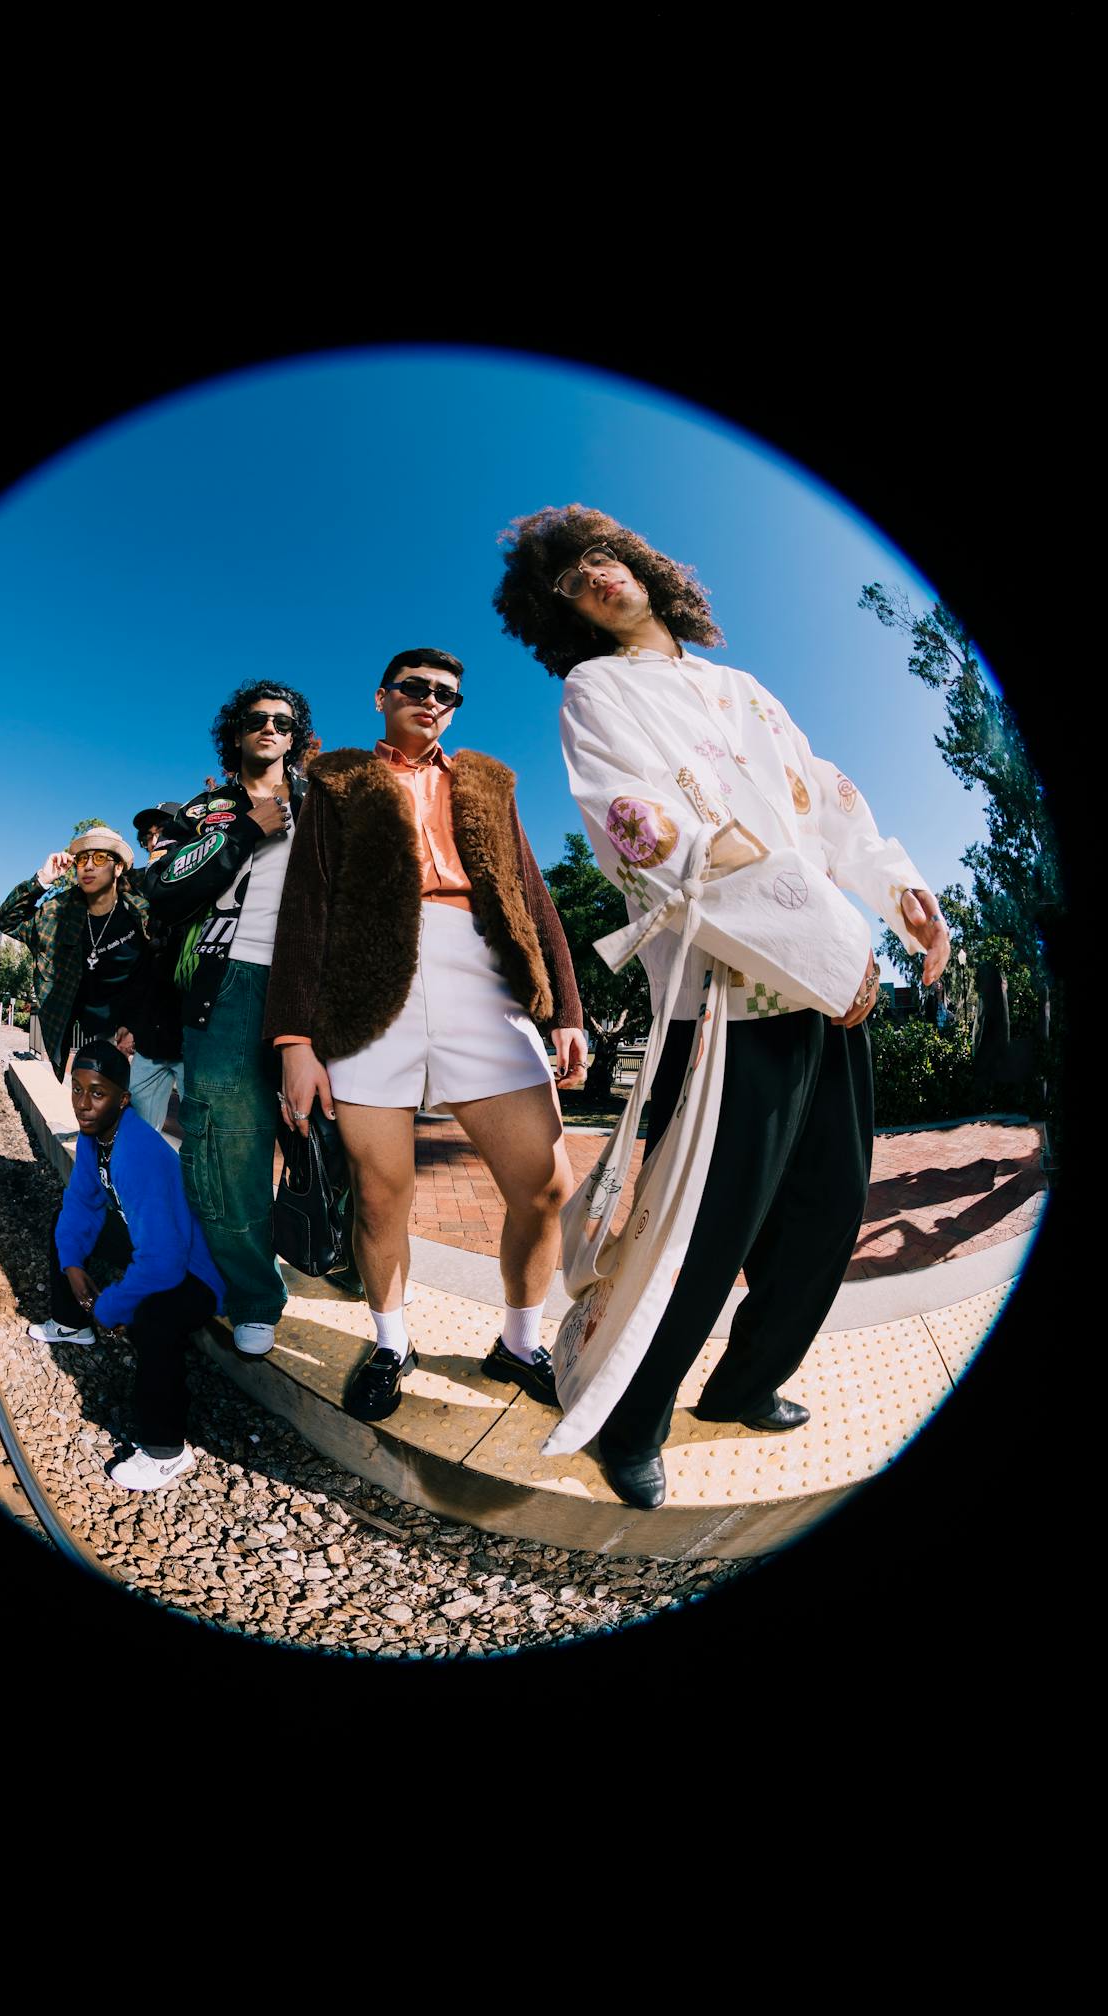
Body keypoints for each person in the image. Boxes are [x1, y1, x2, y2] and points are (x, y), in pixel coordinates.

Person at [493, 505, 951, 1508]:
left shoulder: (743, 689)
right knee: (706, 1223)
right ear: (562, 615)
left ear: (641, 565)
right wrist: (822, 944)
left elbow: (825, 800)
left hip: (834, 985)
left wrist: (896, 889)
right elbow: (637, 826)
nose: (594, 577)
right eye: (569, 581)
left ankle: (746, 1385)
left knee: (829, 1204)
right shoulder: (595, 691)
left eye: (602, 556)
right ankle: (633, 1416)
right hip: (729, 991)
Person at [267, 649, 587, 1423]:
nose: (433, 700)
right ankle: (391, 1343)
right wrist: (293, 1041)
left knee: (545, 1186)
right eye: (416, 687)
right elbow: (305, 905)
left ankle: (518, 1344)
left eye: (447, 694)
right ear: (382, 696)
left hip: (480, 976)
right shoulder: (337, 781)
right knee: (381, 1195)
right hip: (369, 987)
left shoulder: (488, 782)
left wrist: (567, 1012)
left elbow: (531, 895)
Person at [136, 682, 314, 1358]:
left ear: (295, 736)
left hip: (312, 983)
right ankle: (255, 1296)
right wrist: (244, 830)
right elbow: (161, 888)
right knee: (228, 1150)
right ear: (235, 732)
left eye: (283, 722)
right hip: (226, 983)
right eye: (256, 719)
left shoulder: (323, 801)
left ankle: (354, 1266)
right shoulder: (203, 811)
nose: (269, 728)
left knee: (342, 1135)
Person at [26, 1039, 226, 1491]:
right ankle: (71, 1323)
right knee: (65, 1223)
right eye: (78, 1089)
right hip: (156, 1245)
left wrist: (110, 1305)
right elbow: (82, 1203)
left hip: (197, 1270)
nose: (83, 1104)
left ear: (123, 1099)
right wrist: (73, 1266)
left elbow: (165, 1262)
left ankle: (166, 1451)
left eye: (97, 1093)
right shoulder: (94, 1135)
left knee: (154, 1319)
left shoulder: (138, 1152)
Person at [0, 824, 153, 1083]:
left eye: (100, 858)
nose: (88, 866)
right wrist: (43, 880)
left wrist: (135, 1024)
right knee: (97, 1096)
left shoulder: (141, 909)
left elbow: (157, 968)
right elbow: (8, 921)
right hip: (91, 1029)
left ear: (118, 868)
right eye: (82, 859)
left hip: (142, 1023)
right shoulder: (58, 913)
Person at [119, 801, 190, 1130]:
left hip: (192, 1039)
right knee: (139, 1132)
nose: (154, 840)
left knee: (202, 1138)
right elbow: (138, 968)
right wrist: (129, 1022)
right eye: (148, 836)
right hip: (151, 1041)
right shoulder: (137, 888)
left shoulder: (204, 880)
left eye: (162, 831)